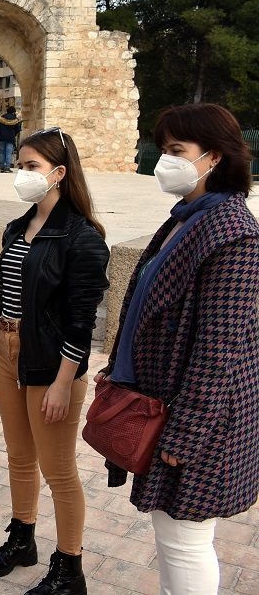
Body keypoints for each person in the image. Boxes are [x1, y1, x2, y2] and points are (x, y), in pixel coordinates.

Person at [97, 103, 259, 595]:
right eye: (163, 149)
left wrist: (186, 434)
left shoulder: (233, 233)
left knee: (185, 537)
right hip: (165, 403)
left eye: (175, 151)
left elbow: (220, 347)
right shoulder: (187, 217)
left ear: (213, 157)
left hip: (202, 417)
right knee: (171, 533)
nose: (163, 161)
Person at [0, 127, 109, 595]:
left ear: (59, 173)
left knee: (59, 470)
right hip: (8, 353)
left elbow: (81, 321)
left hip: (53, 366)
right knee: (18, 457)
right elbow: (4, 296)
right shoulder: (18, 226)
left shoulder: (83, 237)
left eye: (30, 166)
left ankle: (70, 568)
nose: (21, 174)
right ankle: (22, 539)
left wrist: (62, 381)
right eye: (19, 166)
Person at [0, 106, 22, 173]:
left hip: (1, 138)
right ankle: (7, 167)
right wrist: (13, 134)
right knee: (8, 153)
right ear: (13, 112)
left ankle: (1, 167)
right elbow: (17, 130)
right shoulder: (15, 120)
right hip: (10, 138)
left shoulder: (1, 118)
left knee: (2, 152)